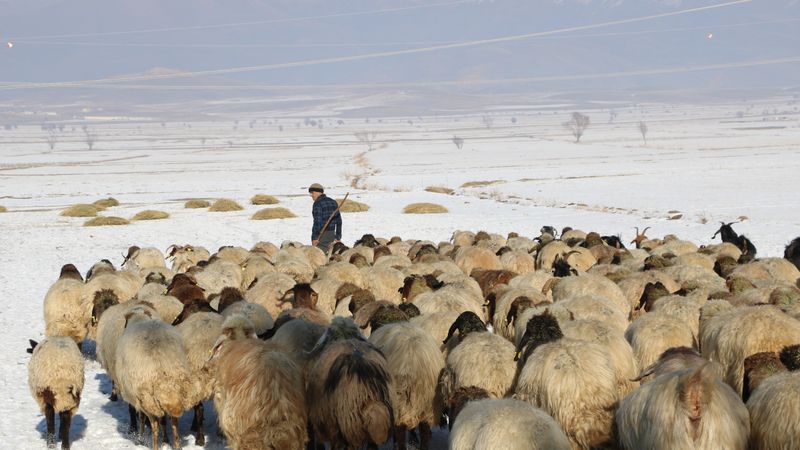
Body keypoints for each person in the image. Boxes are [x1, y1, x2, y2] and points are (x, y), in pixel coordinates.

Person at [308, 183, 341, 253]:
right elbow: (339, 221)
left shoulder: (317, 203)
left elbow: (317, 222)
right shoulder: (333, 202)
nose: (311, 195)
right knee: (330, 254)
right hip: (332, 234)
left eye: (312, 193)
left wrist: (314, 238)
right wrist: (338, 237)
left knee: (320, 256)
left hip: (322, 235)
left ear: (316, 192)